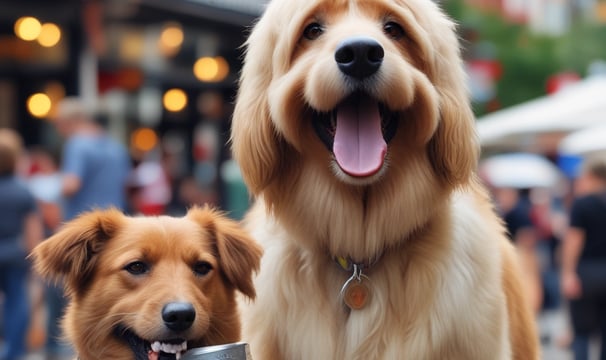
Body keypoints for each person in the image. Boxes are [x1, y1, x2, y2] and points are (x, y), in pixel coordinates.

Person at [0, 128, 44, 360]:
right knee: (17, 301)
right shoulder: (22, 191)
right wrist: (35, 259)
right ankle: (13, 352)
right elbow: (32, 230)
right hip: (14, 252)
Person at [52, 97, 131, 220]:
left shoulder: (76, 145)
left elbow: (70, 186)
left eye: (58, 123)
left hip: (85, 223)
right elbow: (126, 183)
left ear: (69, 122)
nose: (58, 130)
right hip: (115, 220)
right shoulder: (116, 147)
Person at [561, 158, 606, 360]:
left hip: (586, 274)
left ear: (592, 177)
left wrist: (568, 273)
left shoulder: (582, 203)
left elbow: (574, 241)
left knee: (581, 333)